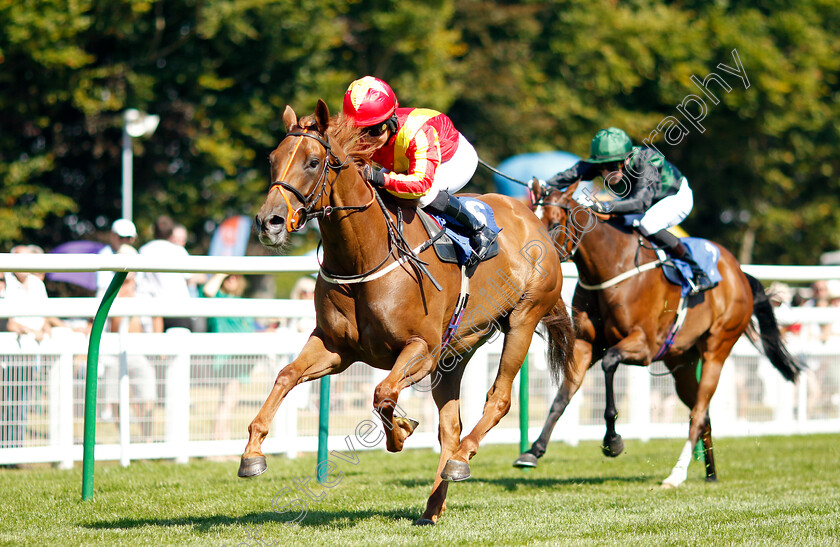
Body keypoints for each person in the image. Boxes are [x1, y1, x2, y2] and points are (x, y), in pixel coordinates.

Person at [342, 76, 497, 272]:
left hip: (453, 159)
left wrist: (379, 177)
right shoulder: (371, 133)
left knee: (423, 196)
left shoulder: (417, 133)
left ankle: (480, 230)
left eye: (374, 130)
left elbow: (420, 184)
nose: (366, 140)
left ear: (390, 121)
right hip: (404, 159)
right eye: (359, 131)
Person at [543, 127, 714, 295]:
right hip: (641, 201)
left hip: (675, 197)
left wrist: (601, 206)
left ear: (627, 158)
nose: (611, 170)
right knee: (610, 224)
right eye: (605, 166)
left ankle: (697, 270)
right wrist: (542, 186)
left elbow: (641, 203)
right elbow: (568, 176)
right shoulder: (602, 164)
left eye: (617, 164)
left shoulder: (647, 161)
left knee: (648, 224)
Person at [202, 273, 257, 440]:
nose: (232, 279)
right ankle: (218, 444)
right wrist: (221, 273)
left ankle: (222, 442)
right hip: (226, 357)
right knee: (228, 400)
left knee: (230, 401)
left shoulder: (242, 301)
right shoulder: (218, 298)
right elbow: (207, 291)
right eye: (228, 277)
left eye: (234, 276)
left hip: (242, 358)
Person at [137, 215, 204, 332]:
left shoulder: (143, 250)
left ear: (153, 230)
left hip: (153, 311)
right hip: (178, 309)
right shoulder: (179, 251)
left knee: (155, 349)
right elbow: (192, 277)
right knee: (178, 348)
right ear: (171, 233)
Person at [97, 218, 138, 298]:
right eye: (121, 237)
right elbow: (103, 287)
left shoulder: (135, 254)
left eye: (129, 237)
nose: (125, 241)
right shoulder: (104, 255)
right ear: (112, 235)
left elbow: (139, 286)